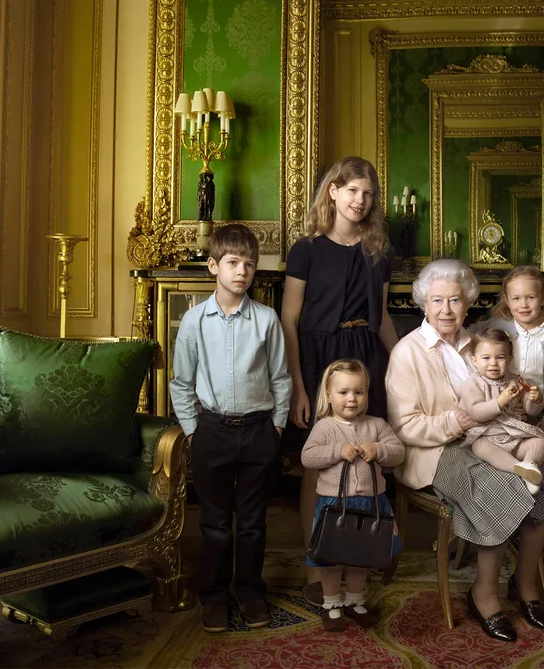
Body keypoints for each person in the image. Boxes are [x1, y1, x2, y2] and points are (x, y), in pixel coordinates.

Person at [385, 259, 544, 642]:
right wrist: (459, 422)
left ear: (467, 303)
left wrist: (527, 401)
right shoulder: (407, 353)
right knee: (501, 487)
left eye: (455, 300)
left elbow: (509, 396)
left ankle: (525, 585)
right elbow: (406, 427)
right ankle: (483, 594)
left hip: (492, 437)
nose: (446, 309)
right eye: (437, 300)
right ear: (423, 304)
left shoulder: (482, 343)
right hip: (436, 450)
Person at [281, 157, 399, 606]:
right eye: (352, 190)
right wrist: (297, 384)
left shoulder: (378, 251)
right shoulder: (306, 249)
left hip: (365, 355)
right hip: (318, 359)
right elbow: (289, 318)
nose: (360, 200)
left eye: (367, 193)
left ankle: (364, 552)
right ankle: (318, 563)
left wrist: (401, 360)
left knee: (369, 456)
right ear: (332, 191)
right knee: (320, 463)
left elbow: (383, 316)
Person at [170, 223, 292, 633]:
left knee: (254, 522)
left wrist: (276, 428)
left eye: (250, 265)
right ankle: (214, 596)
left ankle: (250, 591)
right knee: (216, 524)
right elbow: (182, 383)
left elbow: (280, 378)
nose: (242, 272)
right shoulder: (193, 321)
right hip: (212, 432)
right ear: (213, 266)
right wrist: (192, 431)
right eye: (233, 263)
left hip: (259, 431)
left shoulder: (267, 319)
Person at [301, 359, 405, 632]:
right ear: (329, 395)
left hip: (371, 505)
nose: (352, 399)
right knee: (332, 559)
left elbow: (398, 452)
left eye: (359, 392)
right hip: (335, 505)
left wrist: (378, 450)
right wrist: (337, 451)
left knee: (362, 557)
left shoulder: (377, 425)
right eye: (344, 392)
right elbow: (308, 457)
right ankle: (332, 603)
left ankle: (355, 601)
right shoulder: (324, 428)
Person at [469, 266, 544, 428]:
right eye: (516, 298)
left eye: (531, 297)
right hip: (501, 406)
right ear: (507, 300)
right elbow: (467, 334)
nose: (523, 305)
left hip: (538, 410)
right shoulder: (498, 325)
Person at [458, 328, 544, 494]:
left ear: (510, 359)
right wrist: (500, 402)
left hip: (515, 436)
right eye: (486, 358)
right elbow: (476, 412)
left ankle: (530, 464)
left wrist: (535, 400)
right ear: (475, 361)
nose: (493, 363)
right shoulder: (472, 384)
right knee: (479, 446)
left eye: (500, 357)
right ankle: (519, 469)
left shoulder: (516, 380)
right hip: (488, 435)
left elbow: (530, 412)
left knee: (539, 442)